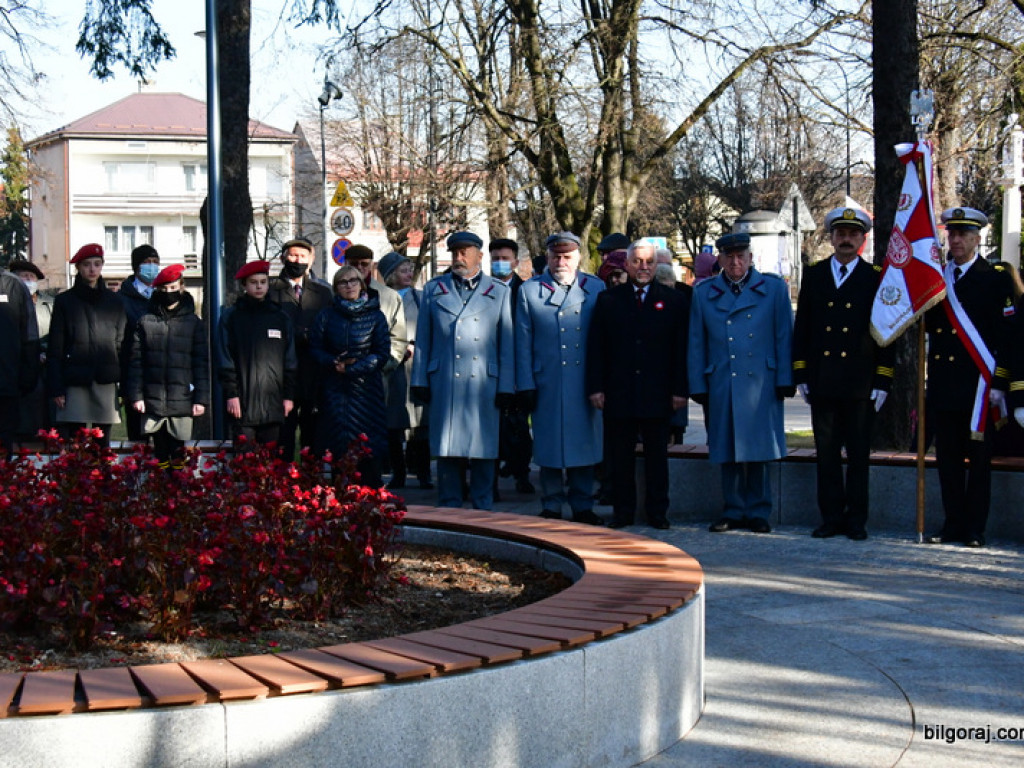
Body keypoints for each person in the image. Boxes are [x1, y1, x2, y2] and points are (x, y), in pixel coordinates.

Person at [792, 208, 894, 541]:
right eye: (841, 233)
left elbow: (886, 331)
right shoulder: (816, 274)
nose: (846, 239)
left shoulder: (876, 277)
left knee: (859, 456)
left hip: (859, 383)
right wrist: (802, 372)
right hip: (823, 380)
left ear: (863, 239)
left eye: (853, 234)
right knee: (827, 455)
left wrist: (883, 379)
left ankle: (856, 520)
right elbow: (803, 328)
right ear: (832, 238)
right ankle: (831, 517)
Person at [688, 232, 794, 534]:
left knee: (759, 449)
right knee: (726, 447)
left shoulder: (773, 289)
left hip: (761, 381)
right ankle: (733, 509)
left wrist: (786, 378)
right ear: (720, 259)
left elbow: (783, 336)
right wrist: (697, 382)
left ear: (750, 257)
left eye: (741, 256)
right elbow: (696, 341)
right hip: (723, 379)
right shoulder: (704, 292)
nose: (735, 262)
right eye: (729, 256)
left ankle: (759, 511)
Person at [923, 207, 1015, 548]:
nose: (957, 239)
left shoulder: (995, 278)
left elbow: (1006, 337)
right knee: (947, 461)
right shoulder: (936, 279)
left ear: (978, 239)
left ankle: (975, 528)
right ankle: (952, 525)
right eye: (953, 233)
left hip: (979, 388)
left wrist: (1001, 384)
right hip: (945, 386)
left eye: (964, 234)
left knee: (978, 463)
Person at [587, 239, 689, 529]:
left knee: (658, 457)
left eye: (649, 262)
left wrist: (681, 390)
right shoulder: (609, 300)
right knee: (620, 457)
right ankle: (623, 511)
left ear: (657, 265)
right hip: (618, 392)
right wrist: (596, 387)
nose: (643, 268)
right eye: (637, 262)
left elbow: (681, 350)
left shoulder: (673, 300)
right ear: (627, 264)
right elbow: (597, 348)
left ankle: (658, 512)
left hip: (659, 393)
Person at [410, 231, 514, 510]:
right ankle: (450, 509)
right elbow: (423, 339)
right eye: (455, 252)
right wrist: (419, 379)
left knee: (484, 448)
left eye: (465, 252)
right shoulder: (434, 289)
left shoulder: (499, 291)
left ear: (479, 256)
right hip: (445, 378)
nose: (459, 258)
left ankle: (483, 509)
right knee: (448, 448)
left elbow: (506, 343)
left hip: (484, 381)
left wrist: (507, 386)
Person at [517, 231, 604, 524]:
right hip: (547, 382)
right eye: (556, 256)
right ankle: (551, 503)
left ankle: (582, 503)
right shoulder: (530, 291)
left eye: (567, 256)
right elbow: (522, 341)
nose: (561, 262)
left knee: (584, 442)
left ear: (578, 257)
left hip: (585, 382)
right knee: (549, 444)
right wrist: (525, 383)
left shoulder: (596, 288)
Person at [309, 264, 391, 488]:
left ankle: (371, 501)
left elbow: (382, 353)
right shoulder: (326, 316)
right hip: (336, 392)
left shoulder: (376, 316)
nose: (349, 286)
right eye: (343, 282)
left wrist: (354, 368)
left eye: (354, 280)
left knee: (368, 450)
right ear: (336, 288)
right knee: (339, 451)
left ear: (362, 284)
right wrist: (332, 362)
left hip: (367, 392)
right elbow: (315, 348)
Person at [125, 264, 209, 468]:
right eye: (164, 290)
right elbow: (136, 362)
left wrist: (201, 399)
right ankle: (161, 491)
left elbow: (201, 363)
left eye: (174, 288)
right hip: (153, 400)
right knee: (159, 454)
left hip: (182, 400)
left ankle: (178, 493)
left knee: (179, 455)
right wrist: (136, 396)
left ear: (181, 288)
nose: (169, 294)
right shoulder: (145, 321)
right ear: (157, 291)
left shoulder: (193, 323)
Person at [47, 243, 126, 448]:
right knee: (75, 443)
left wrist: (125, 386)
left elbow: (121, 344)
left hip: (105, 378)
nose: (92, 269)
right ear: (78, 268)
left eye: (97, 264)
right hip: (75, 379)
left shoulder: (114, 301)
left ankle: (104, 479)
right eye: (86, 265)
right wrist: (56, 387)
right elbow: (56, 346)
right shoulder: (65, 301)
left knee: (103, 444)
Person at [217, 260, 297, 452]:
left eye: (263, 281)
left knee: (272, 464)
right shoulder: (232, 317)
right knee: (245, 467)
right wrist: (232, 394)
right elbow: (225, 359)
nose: (259, 286)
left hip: (273, 403)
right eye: (253, 282)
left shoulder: (280, 317)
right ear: (244, 285)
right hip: (243, 402)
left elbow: (290, 360)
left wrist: (289, 396)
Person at [269, 237, 333, 461]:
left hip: (313, 371)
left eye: (303, 256)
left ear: (311, 259)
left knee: (312, 432)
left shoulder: (323, 293)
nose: (297, 260)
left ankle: (309, 483)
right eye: (293, 255)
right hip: (280, 372)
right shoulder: (270, 290)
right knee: (282, 433)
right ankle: (283, 481)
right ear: (283, 258)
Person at [378, 250, 432, 489]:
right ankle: (398, 474)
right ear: (390, 275)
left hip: (417, 367)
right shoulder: (380, 298)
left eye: (410, 269)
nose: (409, 274)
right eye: (403, 270)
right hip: (392, 368)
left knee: (421, 423)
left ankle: (423, 473)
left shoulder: (421, 298)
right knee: (394, 423)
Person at [490, 237, 534, 496]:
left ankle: (522, 473)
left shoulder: (525, 290)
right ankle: (491, 479)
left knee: (518, 427)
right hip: (492, 368)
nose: (500, 263)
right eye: (495, 258)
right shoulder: (484, 289)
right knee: (494, 428)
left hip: (519, 368)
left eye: (505, 258)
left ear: (516, 262)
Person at [118, 244, 161, 441]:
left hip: (160, 374)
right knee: (137, 435)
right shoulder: (122, 299)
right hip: (133, 372)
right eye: (147, 262)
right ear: (136, 266)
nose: (152, 267)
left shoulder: (163, 295)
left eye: (155, 262)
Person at [344, 245, 407, 376]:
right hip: (342, 374)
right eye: (354, 263)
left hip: (377, 373)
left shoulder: (389, 297)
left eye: (364, 264)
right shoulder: (332, 294)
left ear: (371, 265)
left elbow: (398, 338)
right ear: (345, 264)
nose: (360, 267)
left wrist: (385, 364)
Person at [8, 259, 49, 443]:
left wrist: (45, 354)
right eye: (24, 276)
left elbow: (55, 334)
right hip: (15, 365)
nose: (29, 280)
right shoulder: (7, 300)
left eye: (32, 277)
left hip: (44, 366)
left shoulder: (49, 304)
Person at [0, 262, 39, 453]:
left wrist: (28, 374)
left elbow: (29, 334)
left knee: (4, 444)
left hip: (6, 382)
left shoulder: (13, 286)